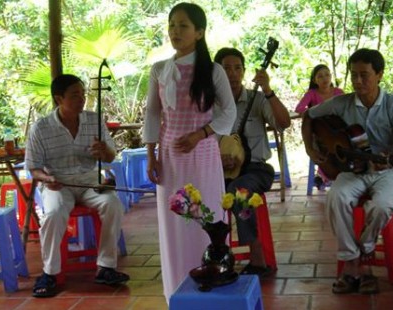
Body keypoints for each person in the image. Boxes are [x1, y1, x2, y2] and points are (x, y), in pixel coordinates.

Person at [142, 2, 236, 302]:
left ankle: (212, 281)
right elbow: (153, 115)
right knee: (175, 223)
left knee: (206, 218)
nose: (175, 31)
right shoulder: (159, 70)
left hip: (204, 156)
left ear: (199, 32)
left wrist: (200, 134)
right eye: (171, 25)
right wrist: (151, 155)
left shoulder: (213, 70)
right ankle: (177, 292)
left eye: (183, 25)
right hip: (170, 158)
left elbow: (228, 113)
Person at [301, 48, 393, 294]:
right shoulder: (341, 103)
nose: (358, 81)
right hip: (354, 169)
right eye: (353, 75)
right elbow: (309, 116)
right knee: (335, 198)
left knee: (382, 206)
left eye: (364, 75)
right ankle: (352, 261)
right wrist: (311, 149)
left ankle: (364, 251)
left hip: (391, 170)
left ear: (380, 74)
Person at [25, 74, 129, 298]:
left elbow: (111, 157)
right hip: (58, 184)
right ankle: (50, 273)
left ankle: (106, 267)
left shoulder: (94, 120)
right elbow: (33, 168)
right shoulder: (41, 128)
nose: (82, 100)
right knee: (53, 213)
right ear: (58, 99)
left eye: (83, 94)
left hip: (90, 181)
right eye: (75, 95)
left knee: (113, 204)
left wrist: (104, 151)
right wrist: (47, 179)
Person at [214, 47, 291, 276]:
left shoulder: (257, 99)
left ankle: (257, 256)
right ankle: (216, 252)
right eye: (226, 69)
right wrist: (218, 159)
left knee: (239, 191)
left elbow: (284, 123)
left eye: (238, 68)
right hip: (222, 171)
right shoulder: (210, 107)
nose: (233, 74)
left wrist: (267, 89)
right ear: (217, 74)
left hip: (256, 170)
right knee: (204, 194)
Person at [295, 64, 344, 189]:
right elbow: (299, 109)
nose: (325, 78)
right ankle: (326, 175)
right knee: (322, 149)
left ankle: (327, 177)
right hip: (318, 133)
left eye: (327, 75)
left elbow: (346, 110)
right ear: (314, 80)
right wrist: (314, 113)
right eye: (320, 76)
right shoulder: (312, 93)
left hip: (338, 130)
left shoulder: (339, 92)